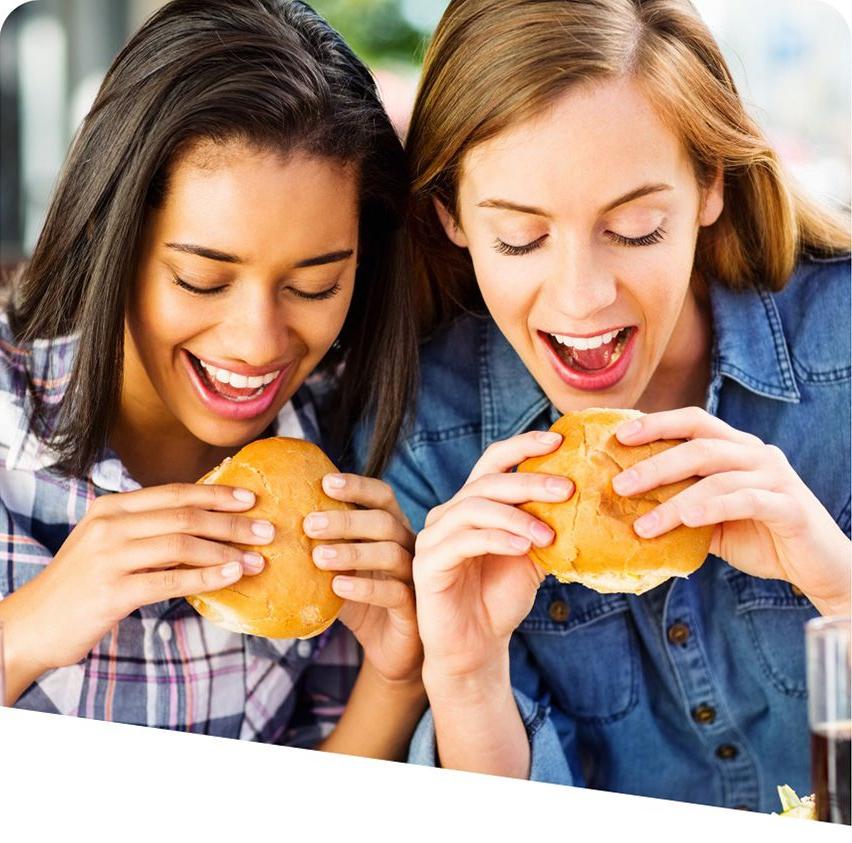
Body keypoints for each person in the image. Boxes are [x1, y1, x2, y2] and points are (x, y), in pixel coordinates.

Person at [364, 0, 851, 809]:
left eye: (636, 227)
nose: (583, 298)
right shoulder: (426, 440)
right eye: (520, 238)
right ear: (450, 216)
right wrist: (466, 674)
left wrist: (840, 592)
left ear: (708, 187)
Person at [0, 0, 426, 757]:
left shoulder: (346, 460)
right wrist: (22, 634)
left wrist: (395, 680)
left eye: (315, 286)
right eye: (201, 279)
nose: (258, 342)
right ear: (112, 238)